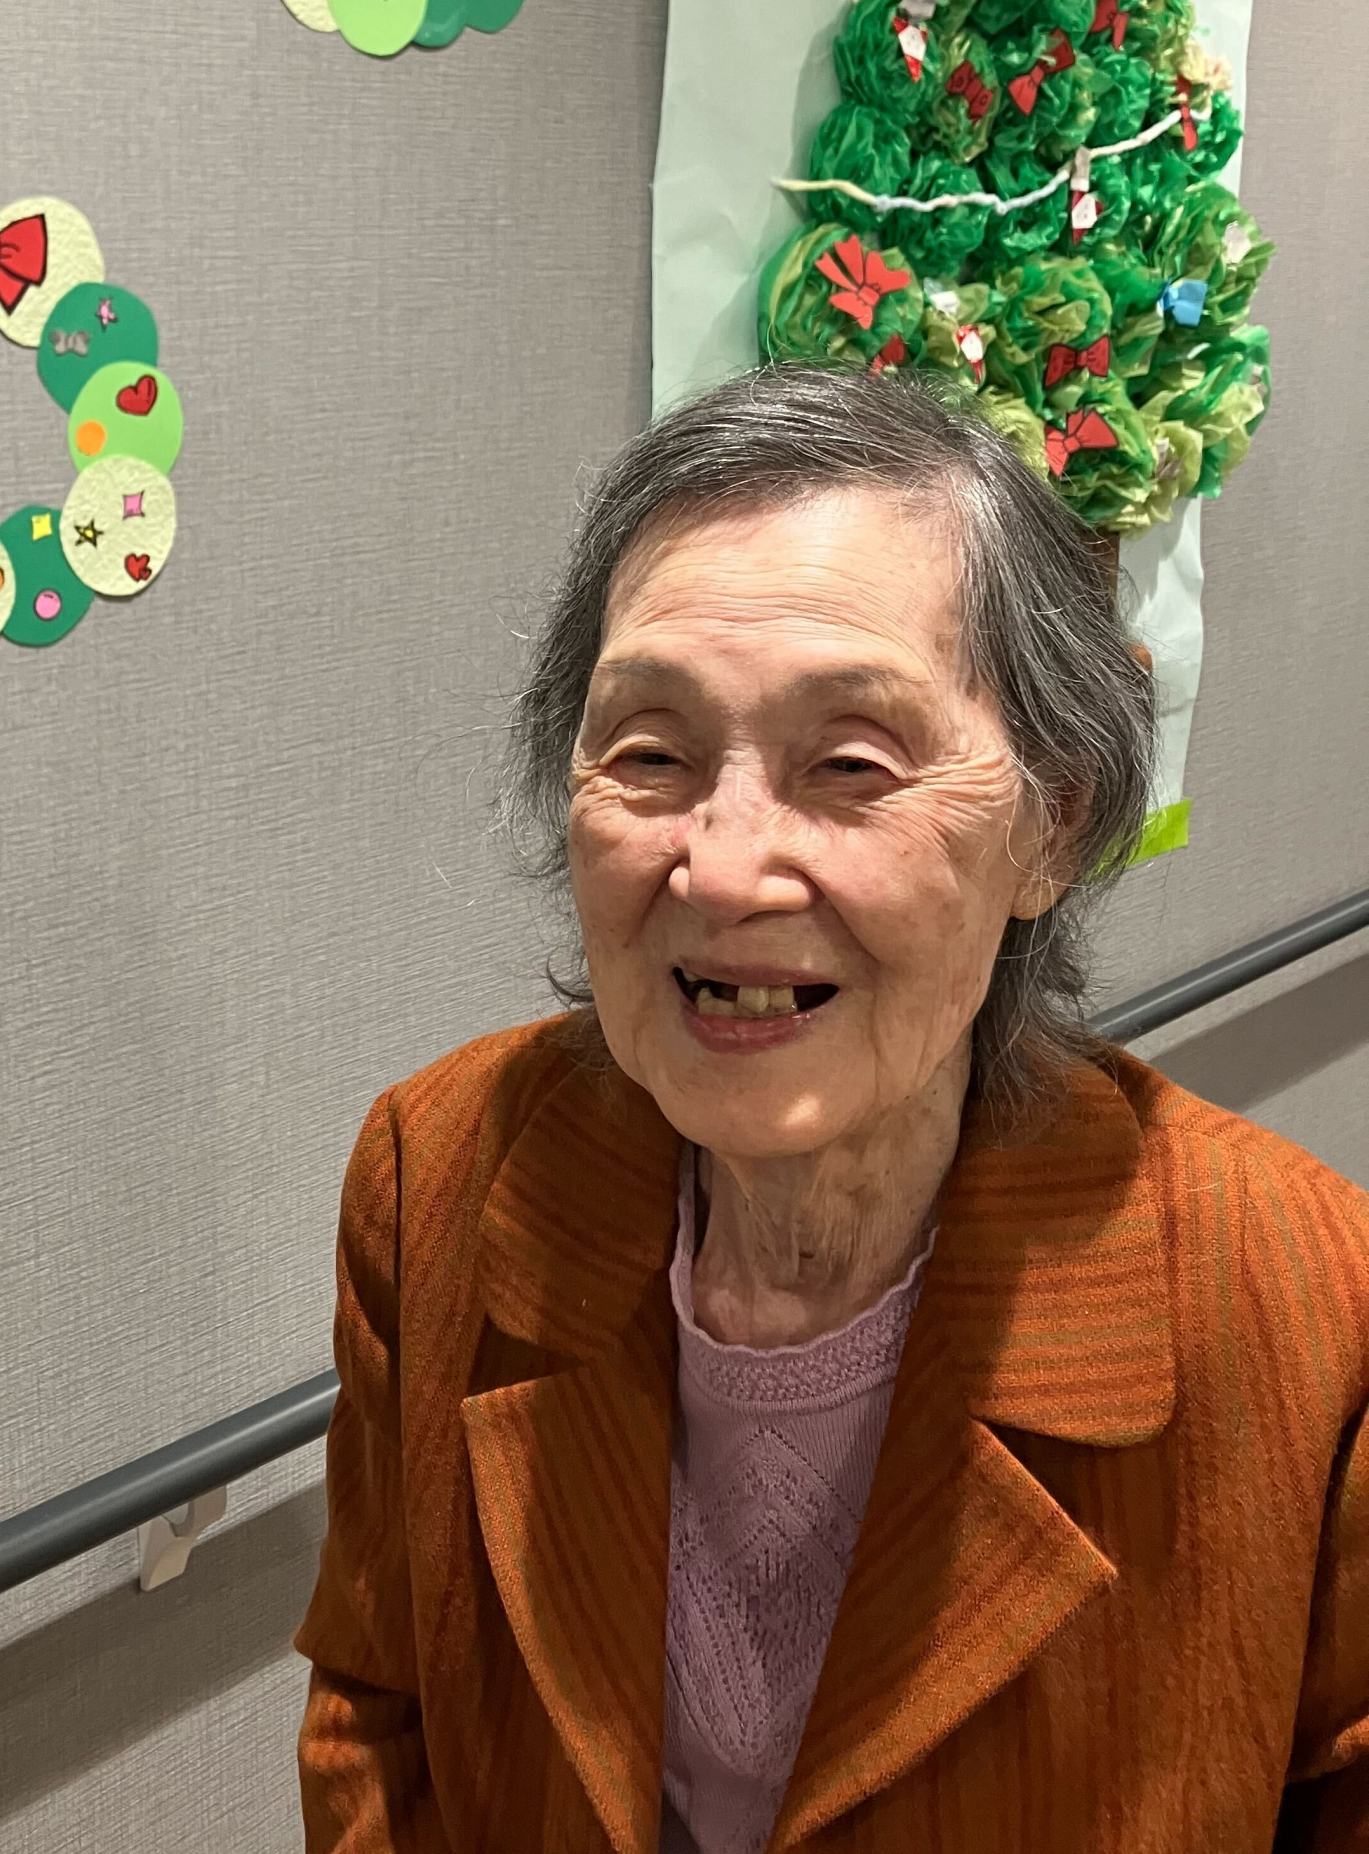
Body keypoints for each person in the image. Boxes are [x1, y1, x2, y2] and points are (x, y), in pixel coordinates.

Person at [295, 367, 1369, 1853]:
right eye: (651, 755)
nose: (725, 868)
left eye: (851, 765)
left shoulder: (1301, 1302)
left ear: (1052, 821)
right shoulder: (442, 1178)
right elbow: (378, 1708)